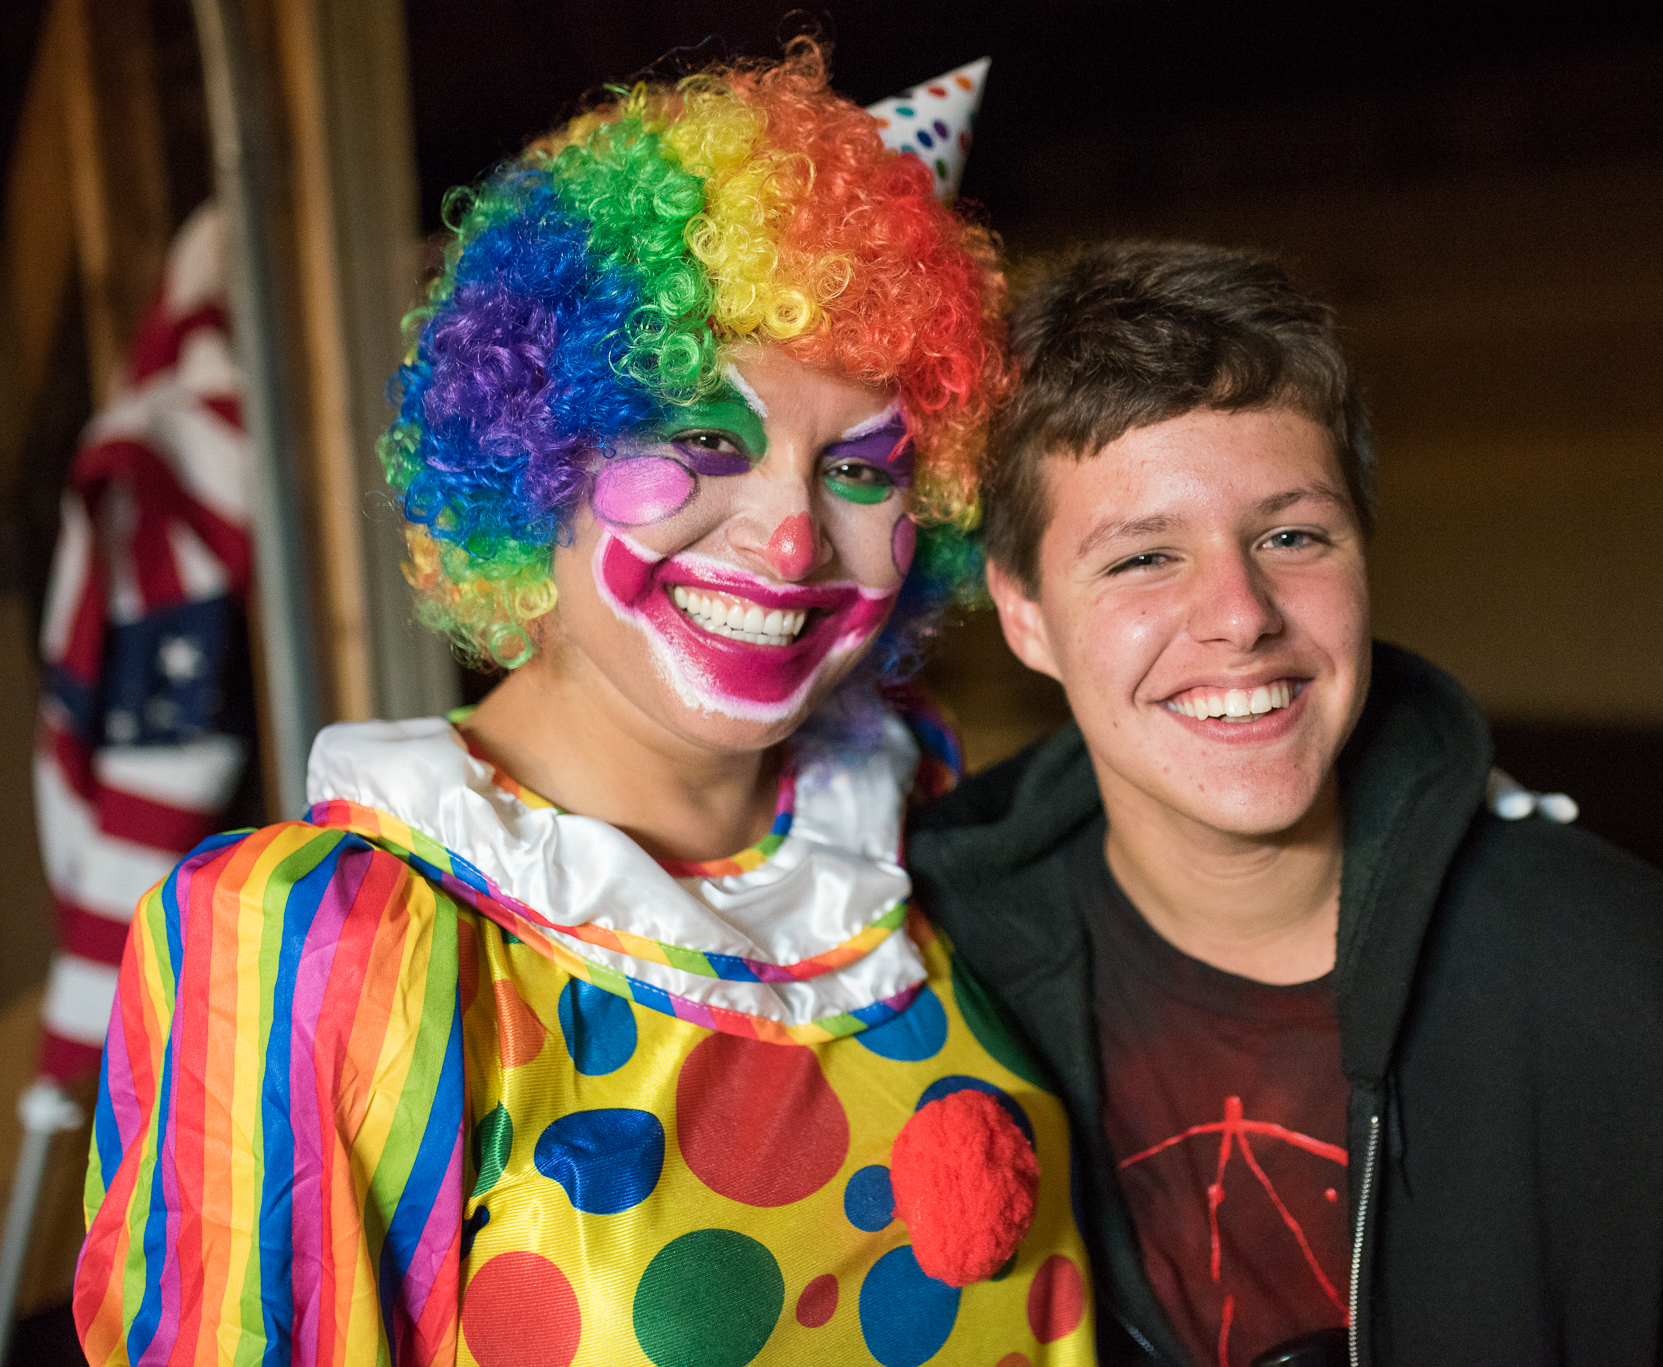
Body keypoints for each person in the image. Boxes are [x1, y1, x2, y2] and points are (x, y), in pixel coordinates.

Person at [74, 44, 1097, 1367]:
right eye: (702, 439)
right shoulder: (324, 938)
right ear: (536, 459)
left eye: (859, 466)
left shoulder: (919, 815)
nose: (792, 539)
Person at [907, 241, 1663, 1367]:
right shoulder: (921, 971)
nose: (1239, 614)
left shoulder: (1619, 972)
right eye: (1142, 557)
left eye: (1290, 535)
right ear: (1026, 614)